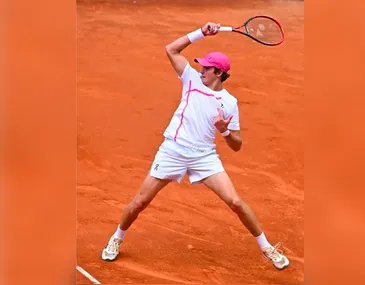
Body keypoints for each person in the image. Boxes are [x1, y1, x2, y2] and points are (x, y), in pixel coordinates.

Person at [101, 22, 289, 270]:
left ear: (219, 73)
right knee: (139, 202)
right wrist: (201, 33)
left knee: (235, 202)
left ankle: (267, 247)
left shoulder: (229, 103)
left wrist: (224, 132)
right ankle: (117, 238)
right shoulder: (190, 79)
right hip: (173, 151)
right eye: (201, 66)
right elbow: (171, 50)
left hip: (204, 157)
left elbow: (237, 145)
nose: (201, 69)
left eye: (206, 68)